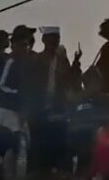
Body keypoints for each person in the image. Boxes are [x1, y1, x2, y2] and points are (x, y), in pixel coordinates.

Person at [28, 26, 74, 179]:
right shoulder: (37, 60)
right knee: (39, 153)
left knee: (60, 150)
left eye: (57, 38)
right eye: (52, 38)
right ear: (44, 40)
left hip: (59, 112)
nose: (55, 41)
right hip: (39, 113)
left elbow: (70, 81)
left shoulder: (62, 61)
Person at [0, 24, 38, 179]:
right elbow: (2, 86)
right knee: (12, 144)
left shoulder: (27, 62)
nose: (25, 48)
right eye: (22, 44)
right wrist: (20, 95)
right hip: (7, 109)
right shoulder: (11, 61)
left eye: (27, 44)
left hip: (20, 111)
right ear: (14, 44)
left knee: (23, 144)